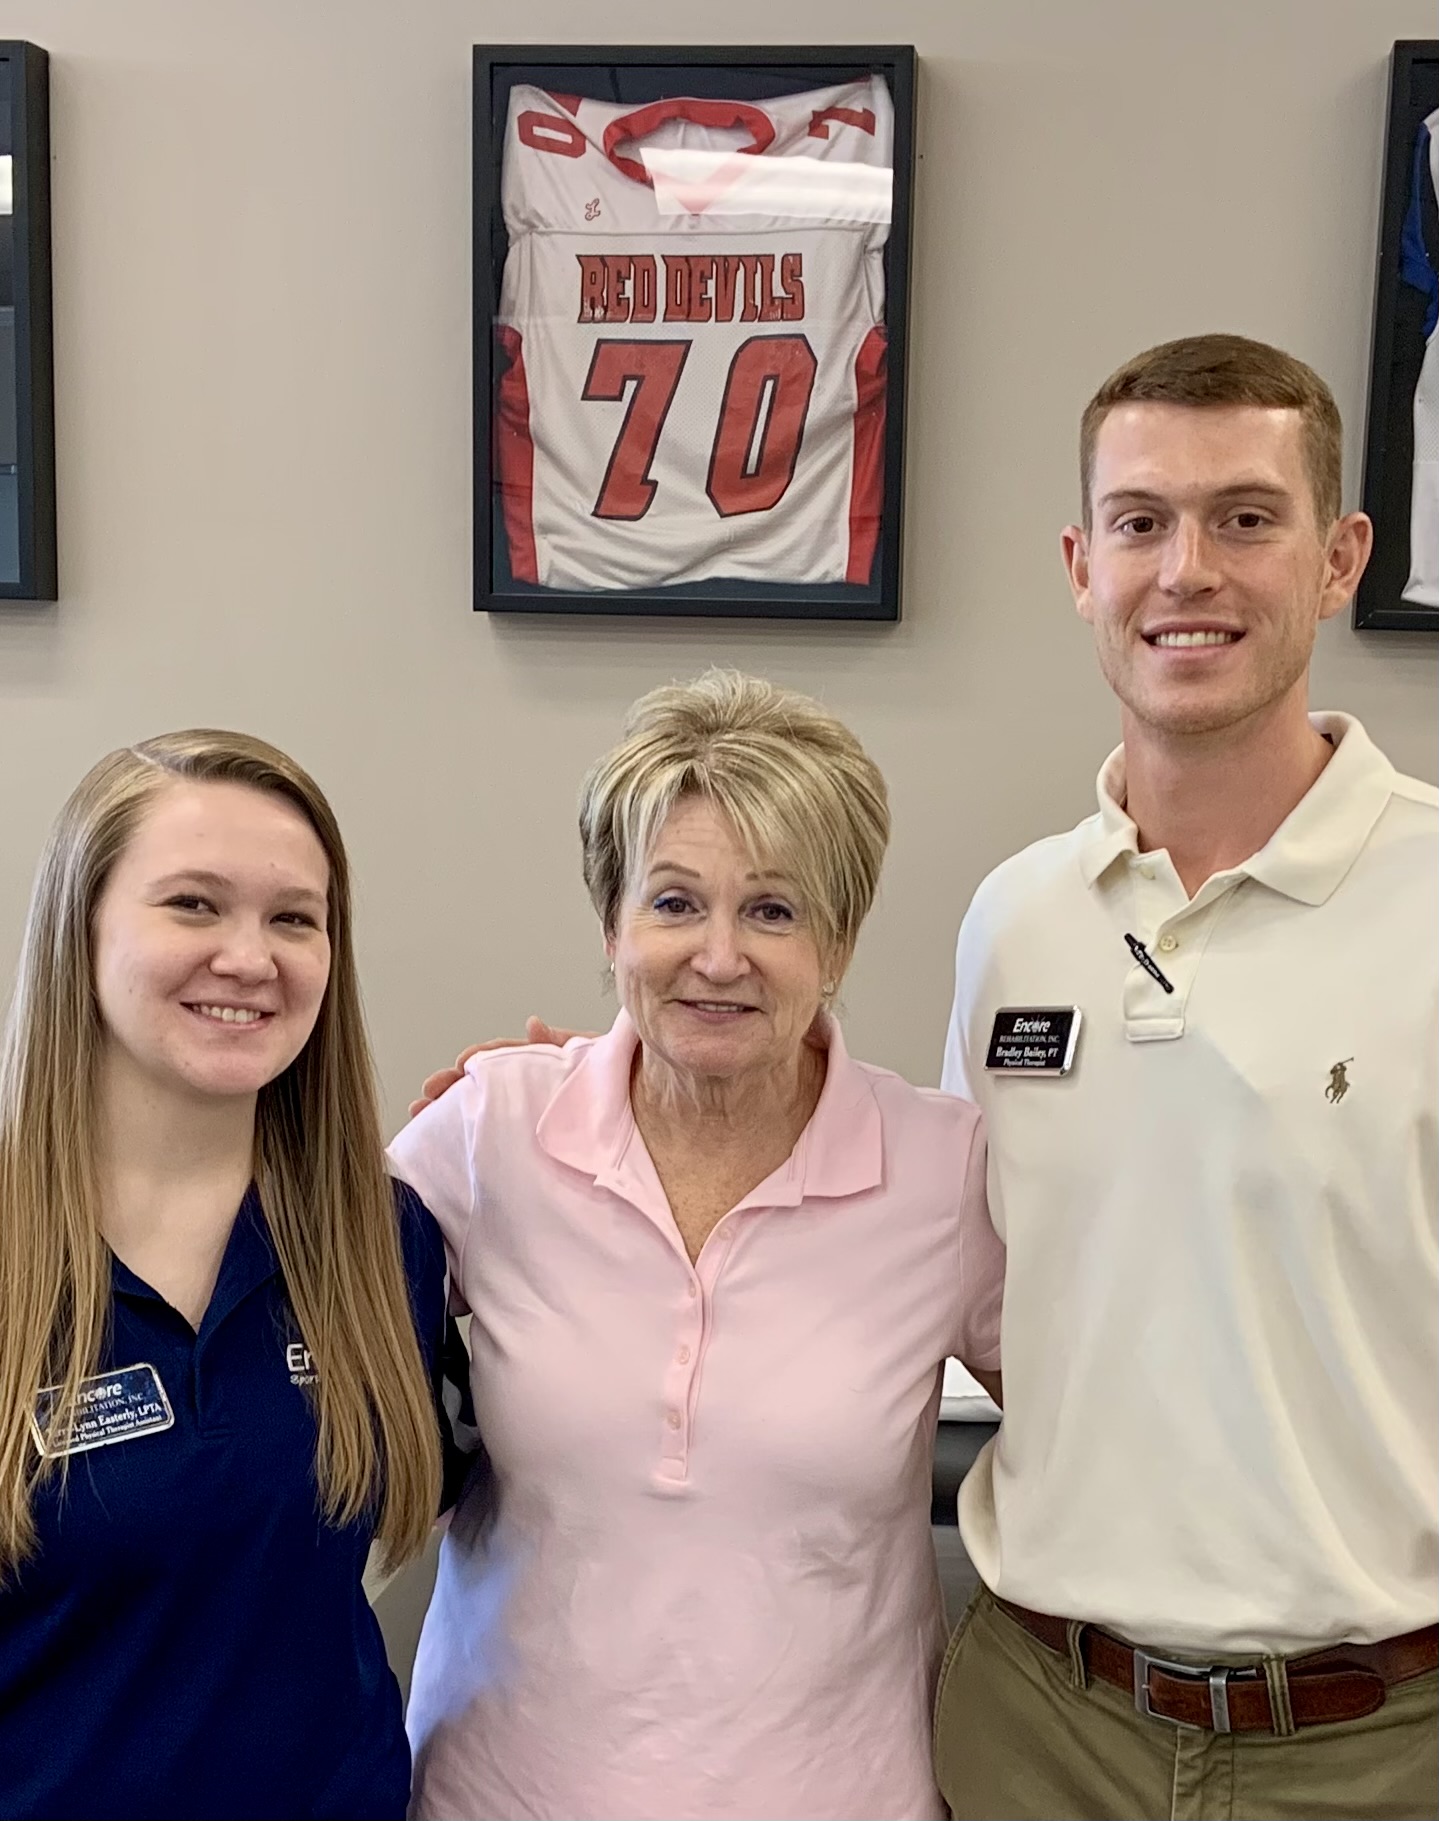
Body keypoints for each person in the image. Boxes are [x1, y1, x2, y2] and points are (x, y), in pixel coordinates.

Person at [932, 334, 1438, 1821]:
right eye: (1140, 522)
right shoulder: (1013, 919)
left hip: (1377, 1742)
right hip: (1040, 1723)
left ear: (1338, 558)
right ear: (1079, 565)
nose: (1185, 571)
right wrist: (598, 1094)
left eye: (1244, 517)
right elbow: (976, 1286)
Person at [388, 671, 1004, 1821]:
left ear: (839, 941)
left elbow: (1094, 1441)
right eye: (673, 903)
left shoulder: (942, 1170)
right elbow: (297, 1324)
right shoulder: (490, 1132)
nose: (718, 957)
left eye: (772, 911)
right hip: (499, 1796)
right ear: (610, 924)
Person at [0, 730, 451, 1821]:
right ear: (80, 928)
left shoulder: (383, 1240)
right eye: (194, 905)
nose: (250, 958)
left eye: (294, 918)